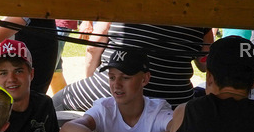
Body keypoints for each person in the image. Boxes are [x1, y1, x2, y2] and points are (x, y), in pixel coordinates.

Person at [52, 23, 212, 111]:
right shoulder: (200, 14)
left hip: (109, 88)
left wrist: (91, 81)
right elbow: (205, 63)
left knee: (55, 104)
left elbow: (93, 47)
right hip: (174, 99)